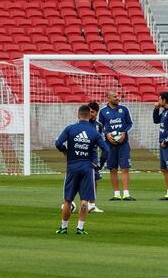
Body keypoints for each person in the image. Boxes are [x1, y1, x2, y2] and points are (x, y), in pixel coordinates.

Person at [54, 105, 109, 235]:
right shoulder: (94, 132)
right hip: (87, 167)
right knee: (84, 199)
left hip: (72, 166)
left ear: (78, 115)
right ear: (89, 116)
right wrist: (99, 165)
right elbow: (106, 150)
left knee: (68, 199)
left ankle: (64, 227)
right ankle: (80, 228)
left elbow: (57, 143)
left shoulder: (70, 129)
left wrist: (65, 151)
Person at [99, 90, 135, 201]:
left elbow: (130, 123)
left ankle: (126, 193)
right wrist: (107, 134)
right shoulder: (103, 111)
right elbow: (100, 126)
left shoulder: (124, 110)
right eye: (114, 96)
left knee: (125, 167)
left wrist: (124, 132)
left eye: (117, 96)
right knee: (112, 168)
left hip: (123, 144)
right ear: (108, 98)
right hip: (109, 145)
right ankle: (116, 194)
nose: (117, 98)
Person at [87, 101, 106, 213]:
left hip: (93, 155)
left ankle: (92, 204)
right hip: (82, 155)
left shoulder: (99, 126)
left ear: (97, 113)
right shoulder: (81, 123)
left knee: (95, 179)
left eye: (92, 112)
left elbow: (101, 142)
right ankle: (69, 201)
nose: (90, 114)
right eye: (89, 111)